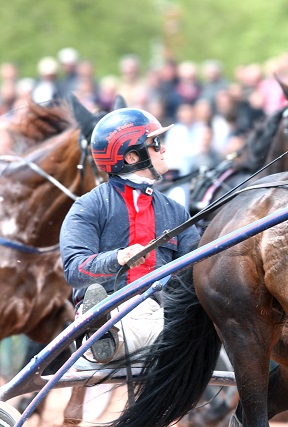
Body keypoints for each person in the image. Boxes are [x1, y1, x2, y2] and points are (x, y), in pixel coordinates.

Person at [59, 107, 200, 363]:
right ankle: (100, 330)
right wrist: (118, 258)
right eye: (155, 143)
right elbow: (74, 270)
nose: (164, 149)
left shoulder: (174, 210)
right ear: (133, 156)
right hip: (114, 311)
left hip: (164, 316)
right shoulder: (88, 206)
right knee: (120, 326)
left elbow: (197, 266)